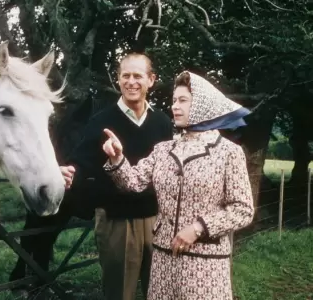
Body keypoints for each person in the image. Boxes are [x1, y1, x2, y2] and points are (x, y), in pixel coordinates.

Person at [101, 70, 255, 299]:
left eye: (183, 100)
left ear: (202, 105)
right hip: (163, 261)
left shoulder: (228, 153)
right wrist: (117, 158)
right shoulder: (163, 149)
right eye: (174, 101)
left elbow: (243, 209)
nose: (175, 106)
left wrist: (197, 229)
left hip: (206, 266)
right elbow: (131, 183)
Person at [61, 53, 173, 300]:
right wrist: (69, 172)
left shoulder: (163, 122)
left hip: (157, 220)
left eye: (138, 76)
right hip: (117, 221)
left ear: (151, 80)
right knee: (120, 293)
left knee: (160, 291)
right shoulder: (102, 121)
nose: (131, 82)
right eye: (125, 76)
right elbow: (81, 161)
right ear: (118, 80)